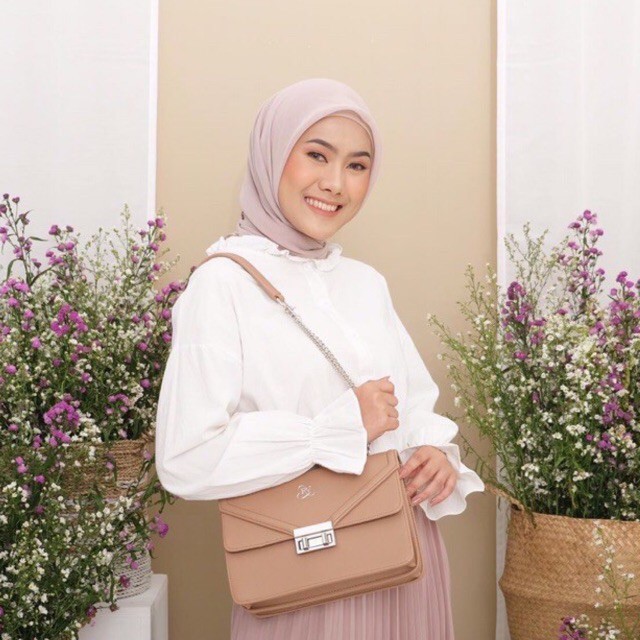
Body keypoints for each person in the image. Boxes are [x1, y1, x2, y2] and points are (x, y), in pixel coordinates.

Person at [155, 78, 485, 640]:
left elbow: (409, 409)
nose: (335, 183)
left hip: (407, 557)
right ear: (271, 155)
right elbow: (186, 456)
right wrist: (332, 431)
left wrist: (433, 452)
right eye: (316, 155)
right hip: (310, 568)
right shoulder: (222, 285)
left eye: (357, 166)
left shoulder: (364, 283)